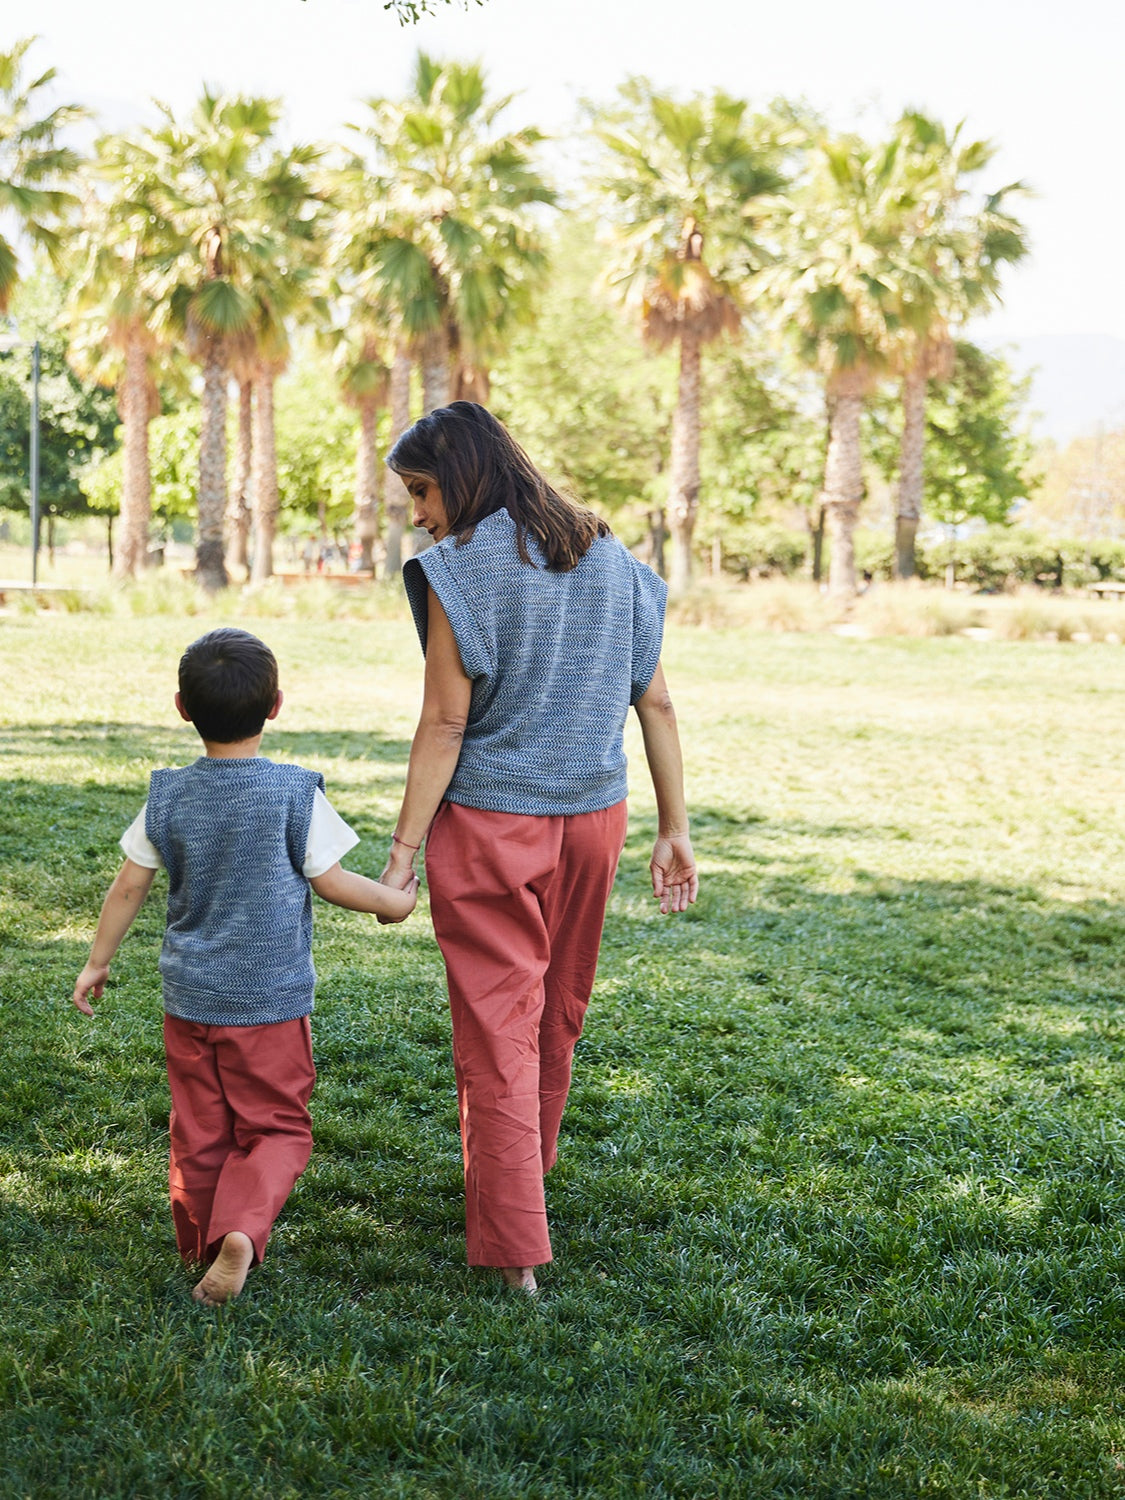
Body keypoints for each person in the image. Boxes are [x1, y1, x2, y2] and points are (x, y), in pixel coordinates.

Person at [380, 402, 698, 1295]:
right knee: (556, 1010)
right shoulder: (614, 561)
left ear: (462, 476)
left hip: (489, 828)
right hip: (594, 822)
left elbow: (444, 721)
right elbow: (658, 705)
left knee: (497, 1026)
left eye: (420, 490)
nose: (416, 513)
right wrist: (674, 829)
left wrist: (403, 852)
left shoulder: (458, 571)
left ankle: (515, 1245)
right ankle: (525, 1175)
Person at [72, 627, 418, 1306]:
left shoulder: (167, 796)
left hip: (190, 999)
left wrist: (96, 962)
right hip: (270, 1004)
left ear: (181, 706)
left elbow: (128, 887)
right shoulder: (293, 795)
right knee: (277, 1126)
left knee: (198, 1126)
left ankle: (202, 1241)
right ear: (276, 705)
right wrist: (396, 904)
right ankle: (242, 1232)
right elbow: (334, 880)